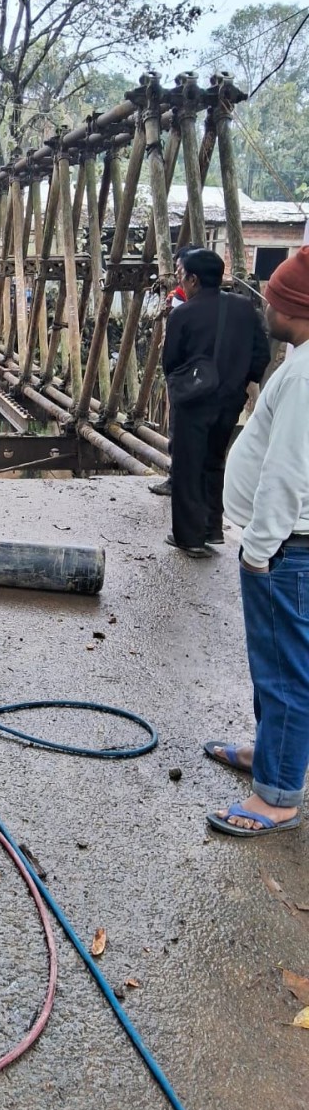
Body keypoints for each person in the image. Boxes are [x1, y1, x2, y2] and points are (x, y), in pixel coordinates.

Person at [205, 248, 309, 837]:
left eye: (276, 296)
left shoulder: (302, 376)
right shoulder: (299, 363)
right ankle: (272, 758)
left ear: (298, 309)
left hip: (288, 546)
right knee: (277, 663)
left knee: (285, 671)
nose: (266, 303)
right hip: (290, 542)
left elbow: (288, 472)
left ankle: (277, 798)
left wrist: (260, 547)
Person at [161, 247, 269, 558]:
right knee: (213, 462)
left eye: (183, 276)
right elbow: (260, 353)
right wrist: (240, 382)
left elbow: (171, 362)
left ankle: (189, 538)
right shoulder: (244, 308)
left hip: (194, 402)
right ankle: (212, 529)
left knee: (186, 466)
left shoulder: (183, 313)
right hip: (229, 400)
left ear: (193, 279)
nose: (182, 281)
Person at [150, 244, 197, 498]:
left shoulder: (184, 302)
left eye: (180, 270)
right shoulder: (179, 297)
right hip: (189, 375)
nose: (177, 275)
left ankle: (179, 481)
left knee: (183, 429)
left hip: (191, 376)